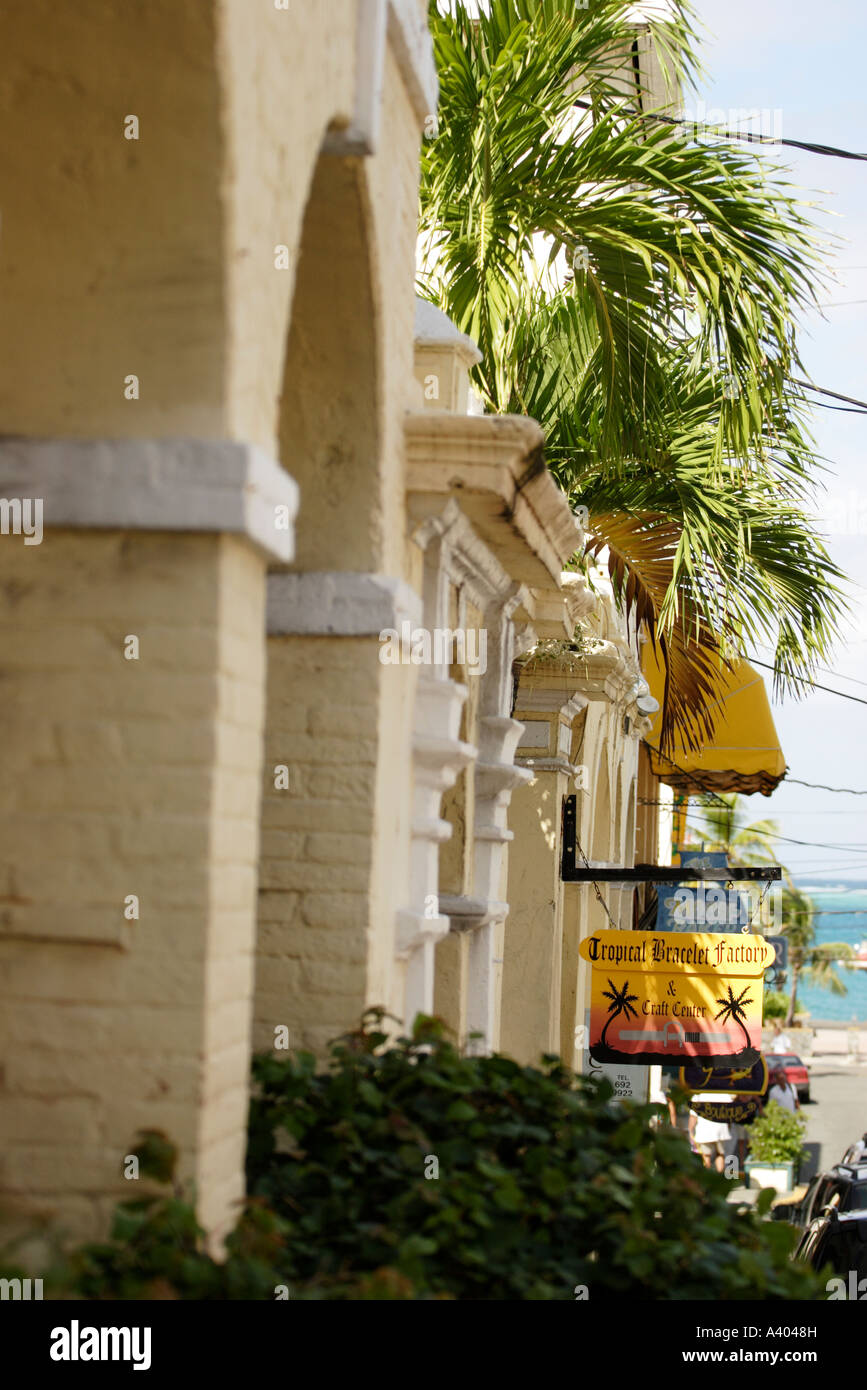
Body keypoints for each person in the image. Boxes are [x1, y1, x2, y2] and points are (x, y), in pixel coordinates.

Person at [688, 1093, 732, 1172]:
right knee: (720, 1154)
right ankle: (719, 1176)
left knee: (706, 1156)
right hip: (721, 1129)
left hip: (704, 1129)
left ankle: (707, 1176)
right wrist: (728, 1126)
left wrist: (690, 1130)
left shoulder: (698, 1096)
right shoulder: (724, 1094)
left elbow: (693, 1116)